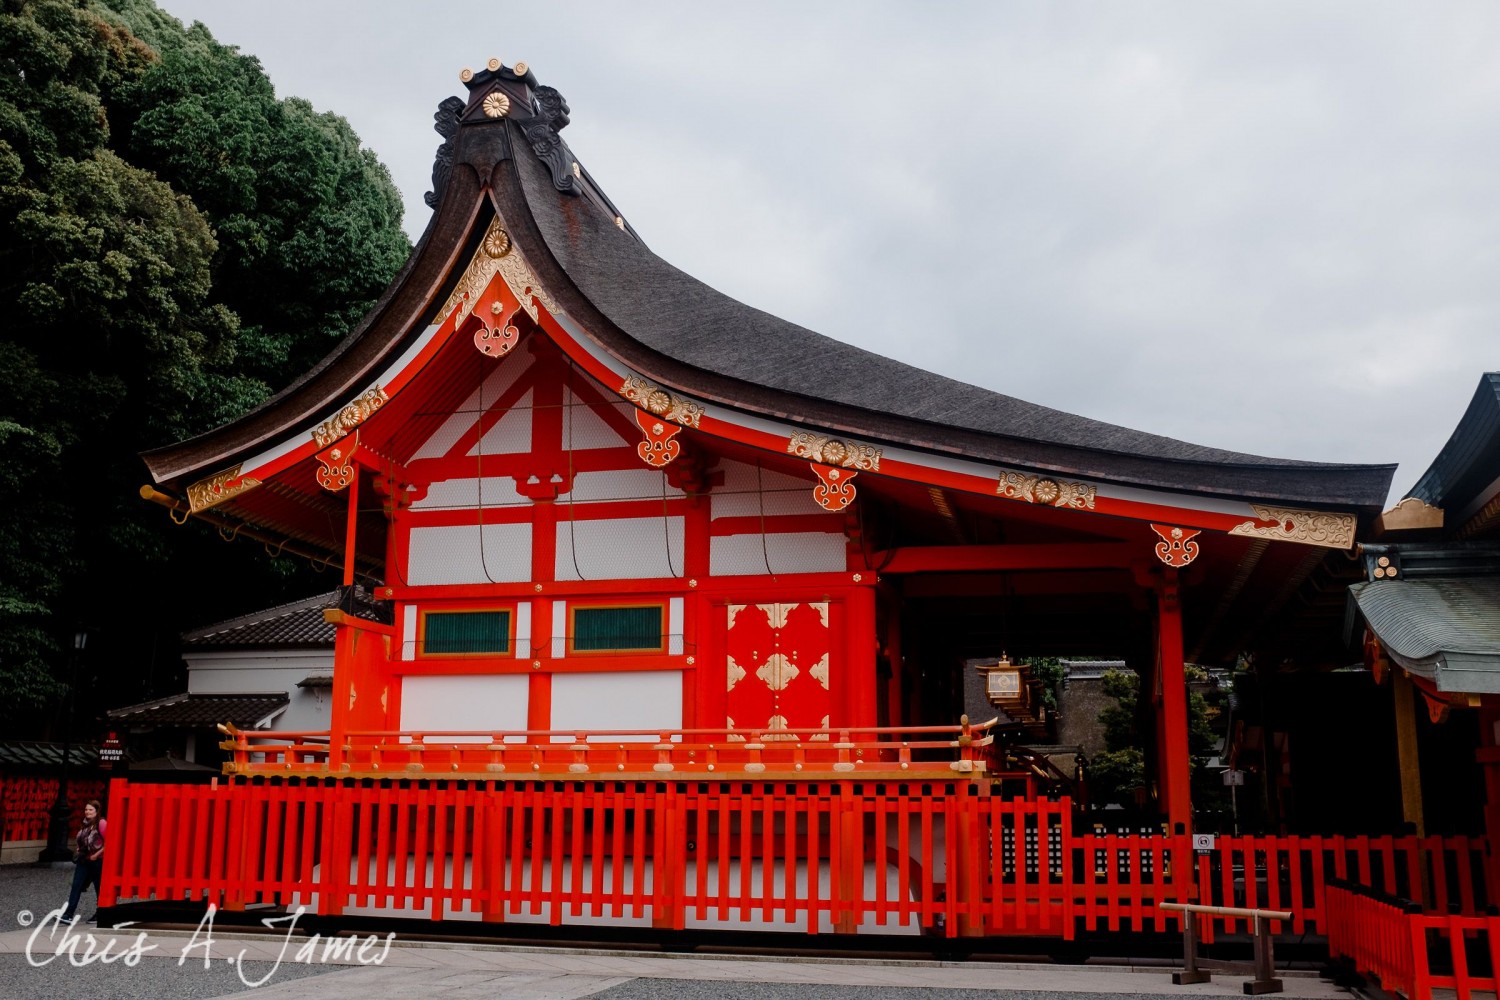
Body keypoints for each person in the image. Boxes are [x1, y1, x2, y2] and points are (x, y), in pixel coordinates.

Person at [60, 799, 106, 923]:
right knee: (76, 885)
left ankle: (100, 913)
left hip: (97, 861)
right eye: (86, 809)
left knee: (99, 888)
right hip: (84, 860)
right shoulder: (85, 824)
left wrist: (96, 855)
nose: (87, 812)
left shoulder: (102, 823)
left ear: (97, 811)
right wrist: (79, 848)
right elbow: (82, 839)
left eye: (90, 809)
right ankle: (68, 914)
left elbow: (109, 843)